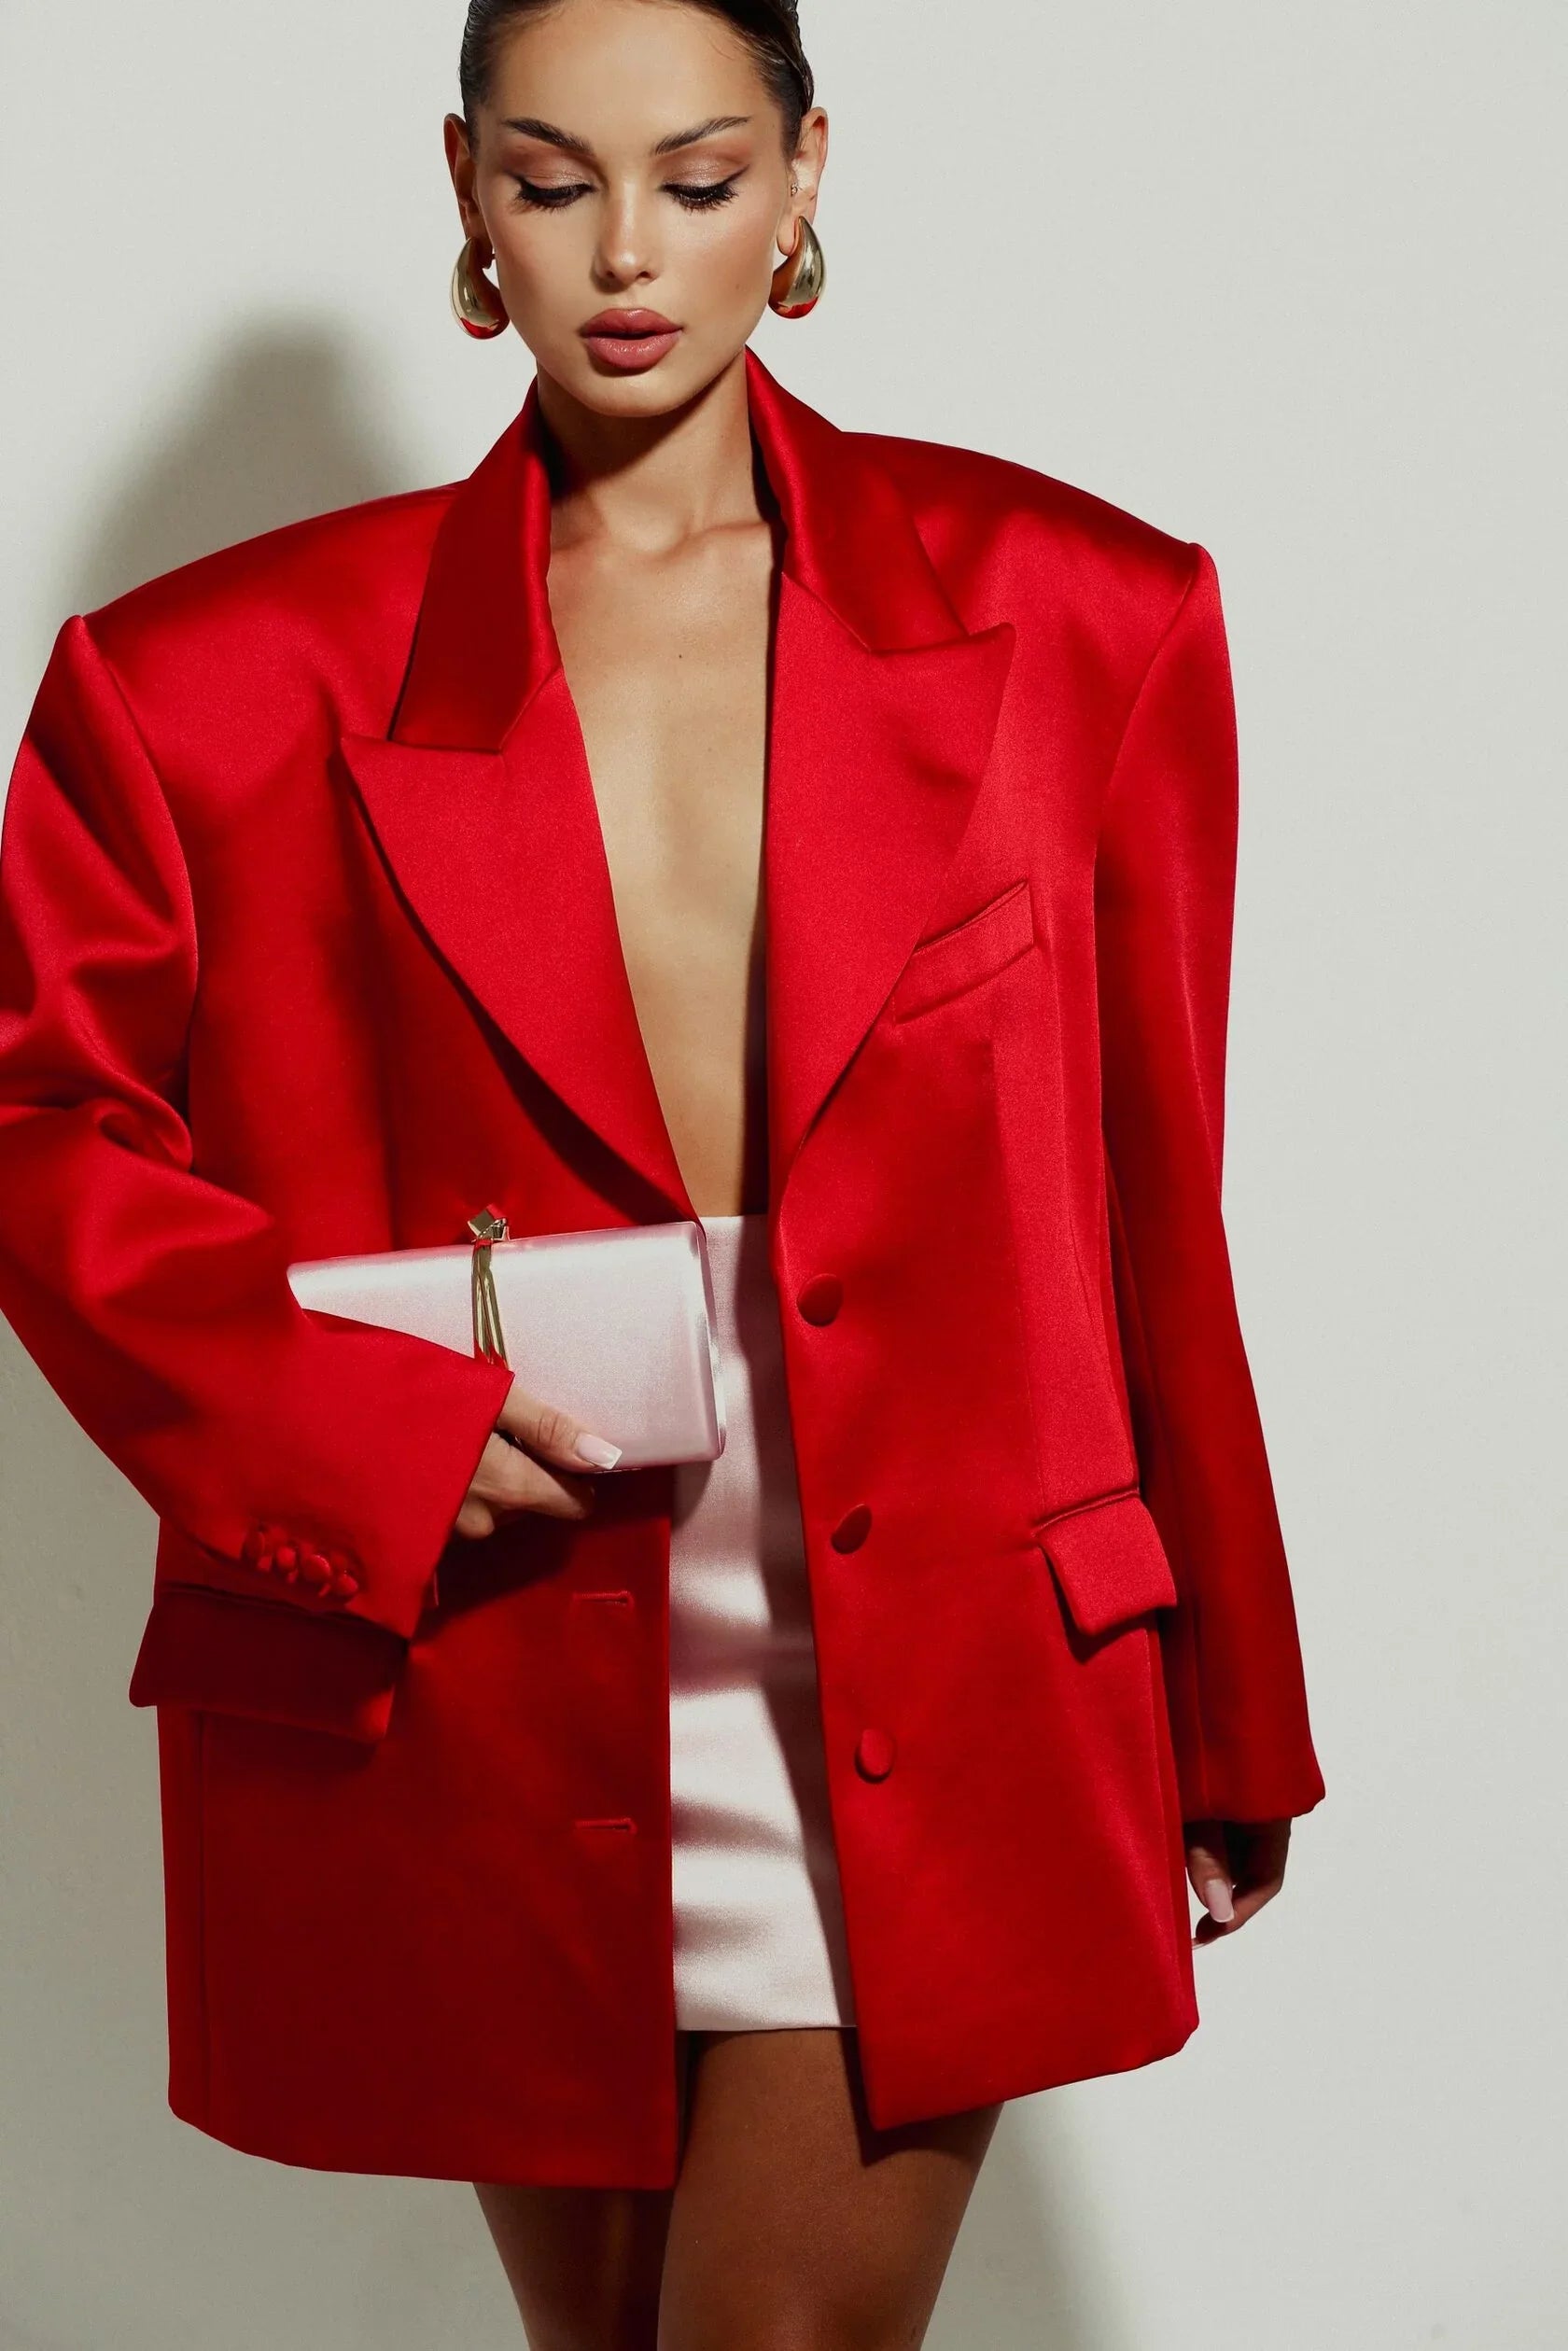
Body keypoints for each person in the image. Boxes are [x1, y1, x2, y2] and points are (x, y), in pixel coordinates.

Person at [0, 0, 1327, 2341]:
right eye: (552, 179)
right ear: (464, 191)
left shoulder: (1089, 618)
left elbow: (1152, 1196)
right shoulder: (204, 681)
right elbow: (41, 1135)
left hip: (946, 1667)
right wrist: (348, 1433)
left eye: (700, 179)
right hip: (494, 1662)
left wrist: (1232, 1697)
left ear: (807, 177)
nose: (626, 251)